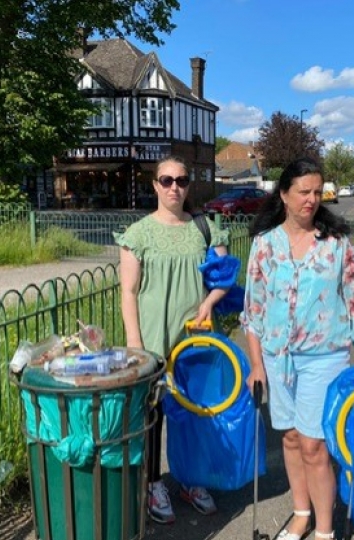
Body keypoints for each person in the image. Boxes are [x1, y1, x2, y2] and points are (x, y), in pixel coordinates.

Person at [242, 157, 354, 540]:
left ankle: (325, 530)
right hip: (277, 359)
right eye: (303, 192)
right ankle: (301, 513)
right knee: (292, 439)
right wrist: (256, 365)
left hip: (324, 358)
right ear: (283, 195)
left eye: (318, 192)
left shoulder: (337, 245)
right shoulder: (265, 245)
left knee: (315, 445)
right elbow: (254, 311)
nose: (312, 199)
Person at [114, 155, 229, 524]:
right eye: (166, 180)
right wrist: (136, 344)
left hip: (196, 340)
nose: (174, 187)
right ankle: (152, 484)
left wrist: (209, 303)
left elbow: (224, 277)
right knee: (154, 415)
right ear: (155, 185)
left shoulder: (205, 228)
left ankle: (192, 479)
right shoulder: (138, 235)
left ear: (188, 185)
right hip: (153, 340)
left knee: (196, 414)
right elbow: (128, 292)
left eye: (181, 180)